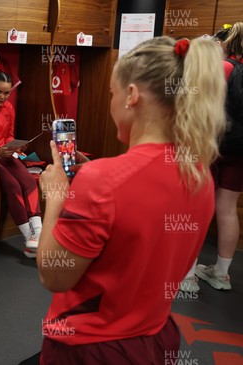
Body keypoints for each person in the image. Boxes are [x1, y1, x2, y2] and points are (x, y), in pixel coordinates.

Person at [36, 36, 225, 363]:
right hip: (154, 339)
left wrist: (56, 196)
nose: (110, 102)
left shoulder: (103, 181)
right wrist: (98, 178)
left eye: (112, 93)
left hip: (91, 349)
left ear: (132, 96)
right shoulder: (199, 174)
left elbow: (54, 275)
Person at [181, 22, 242, 292]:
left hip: (212, 145)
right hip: (240, 149)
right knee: (228, 208)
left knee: (197, 205)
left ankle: (188, 276)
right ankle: (221, 273)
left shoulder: (223, 67)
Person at [0, 71, 42, 258]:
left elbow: (9, 135)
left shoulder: (8, 108)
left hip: (6, 153)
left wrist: (14, 146)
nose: (2, 97)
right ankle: (28, 236)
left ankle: (38, 234)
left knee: (30, 181)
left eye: (7, 93)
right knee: (13, 186)